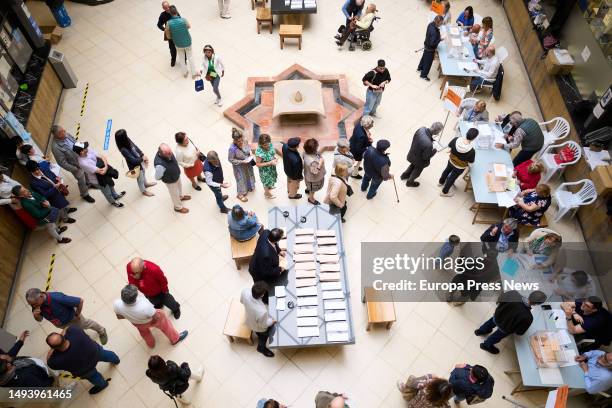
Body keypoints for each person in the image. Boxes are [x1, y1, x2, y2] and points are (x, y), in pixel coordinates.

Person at [46, 326, 120, 394]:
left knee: (94, 377)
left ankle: (103, 384)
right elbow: (67, 328)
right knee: (106, 355)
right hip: (95, 352)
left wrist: (53, 348)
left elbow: (48, 360)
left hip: (85, 370)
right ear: (64, 336)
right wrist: (61, 336)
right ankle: (116, 360)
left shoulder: (56, 361)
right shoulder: (74, 331)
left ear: (54, 348)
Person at [113, 285, 188, 348]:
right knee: (166, 326)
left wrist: (131, 316)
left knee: (145, 333)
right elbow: (155, 316)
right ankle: (175, 339)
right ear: (135, 297)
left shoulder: (117, 304)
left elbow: (119, 317)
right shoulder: (144, 305)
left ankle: (151, 344)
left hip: (137, 324)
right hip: (150, 320)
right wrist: (154, 322)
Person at [26, 287, 108, 344]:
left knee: (86, 324)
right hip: (60, 324)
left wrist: (77, 314)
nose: (32, 306)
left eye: (34, 304)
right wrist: (36, 316)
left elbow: (80, 301)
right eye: (31, 305)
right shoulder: (35, 305)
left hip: (73, 318)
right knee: (75, 332)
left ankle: (102, 331)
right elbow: (40, 319)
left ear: (40, 296)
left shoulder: (56, 298)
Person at [475, 290, 547, 354]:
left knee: (490, 322)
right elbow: (519, 332)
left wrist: (499, 309)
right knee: (496, 336)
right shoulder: (528, 317)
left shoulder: (513, 294)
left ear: (531, 293)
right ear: (536, 304)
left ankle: (480, 331)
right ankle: (486, 345)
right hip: (504, 328)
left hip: (497, 316)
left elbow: (500, 299)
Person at [50, 125, 95, 203]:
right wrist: (74, 168)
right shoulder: (55, 147)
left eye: (64, 130)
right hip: (75, 166)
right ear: (56, 135)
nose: (65, 133)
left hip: (81, 158)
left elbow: (75, 142)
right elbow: (62, 163)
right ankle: (85, 194)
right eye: (62, 132)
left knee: (86, 172)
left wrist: (83, 148)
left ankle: (89, 183)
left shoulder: (66, 134)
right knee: (81, 179)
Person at [73, 141, 125, 208]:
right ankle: (113, 201)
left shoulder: (88, 150)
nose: (87, 148)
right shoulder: (83, 163)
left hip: (104, 173)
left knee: (111, 185)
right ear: (81, 152)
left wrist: (105, 166)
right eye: (85, 148)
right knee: (107, 192)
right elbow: (101, 172)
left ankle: (115, 195)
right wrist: (105, 166)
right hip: (98, 180)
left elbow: (102, 157)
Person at [115, 128, 156, 196]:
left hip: (139, 160)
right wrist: (142, 159)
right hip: (135, 166)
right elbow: (133, 161)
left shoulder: (127, 139)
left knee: (143, 172)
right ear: (122, 139)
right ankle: (143, 191)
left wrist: (142, 154)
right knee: (140, 178)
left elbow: (135, 147)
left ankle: (145, 184)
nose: (127, 136)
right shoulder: (123, 150)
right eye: (125, 135)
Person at [400, 122, 443, 187]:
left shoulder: (421, 129)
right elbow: (426, 157)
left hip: (412, 154)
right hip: (420, 161)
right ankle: (410, 182)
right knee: (417, 171)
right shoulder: (429, 144)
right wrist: (435, 150)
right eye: (439, 131)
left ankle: (404, 175)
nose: (439, 133)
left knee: (412, 164)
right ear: (436, 132)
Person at [438, 128, 478, 197]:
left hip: (451, 161)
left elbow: (449, 147)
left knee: (446, 170)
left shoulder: (456, 139)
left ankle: (441, 182)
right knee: (452, 178)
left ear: (466, 133)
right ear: (474, 138)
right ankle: (444, 192)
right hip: (459, 167)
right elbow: (471, 163)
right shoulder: (471, 151)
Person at [241, 281, 276, 357]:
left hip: (248, 318)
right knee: (264, 335)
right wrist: (272, 321)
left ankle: (258, 335)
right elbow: (264, 325)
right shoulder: (262, 312)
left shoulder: (245, 291)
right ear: (262, 295)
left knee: (258, 331)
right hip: (257, 326)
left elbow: (241, 301)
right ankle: (261, 348)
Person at [155, 143, 190, 213]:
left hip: (176, 175)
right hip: (170, 181)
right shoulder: (159, 165)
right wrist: (167, 177)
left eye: (170, 152)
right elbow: (157, 177)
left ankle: (181, 197)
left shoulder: (168, 152)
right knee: (174, 194)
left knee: (179, 187)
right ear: (161, 153)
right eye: (168, 153)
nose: (170, 154)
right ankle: (178, 207)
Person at [165, 6, 196, 78]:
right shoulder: (183, 20)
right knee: (190, 57)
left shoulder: (168, 23)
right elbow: (188, 26)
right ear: (176, 11)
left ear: (170, 13)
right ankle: (193, 73)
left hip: (178, 43)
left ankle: (185, 73)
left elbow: (168, 36)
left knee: (181, 58)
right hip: (187, 41)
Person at [228, 128, 256, 202]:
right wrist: (241, 162)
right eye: (238, 141)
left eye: (241, 140)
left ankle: (250, 186)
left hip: (248, 163)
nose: (240, 142)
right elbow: (230, 159)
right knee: (241, 179)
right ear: (234, 141)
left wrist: (250, 153)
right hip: (239, 166)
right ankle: (240, 194)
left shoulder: (245, 141)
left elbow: (248, 149)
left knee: (249, 175)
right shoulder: (232, 149)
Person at [417, 15, 443, 81]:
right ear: (438, 22)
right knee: (428, 62)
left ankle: (420, 68)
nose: (441, 24)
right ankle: (423, 75)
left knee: (424, 57)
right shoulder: (434, 32)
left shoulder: (430, 24)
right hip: (430, 49)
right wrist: (440, 39)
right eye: (441, 23)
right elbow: (433, 43)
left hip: (426, 44)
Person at [303, 138, 326, 205]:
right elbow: (315, 172)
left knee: (309, 186)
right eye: (316, 147)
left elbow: (318, 155)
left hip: (308, 175)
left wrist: (319, 157)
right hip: (314, 179)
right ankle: (311, 199)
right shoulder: (312, 162)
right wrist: (321, 163)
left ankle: (308, 189)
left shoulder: (305, 152)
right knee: (313, 190)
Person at [157, 1, 181, 66]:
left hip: (177, 33)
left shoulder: (174, 12)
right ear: (163, 8)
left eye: (168, 7)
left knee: (181, 47)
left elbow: (180, 20)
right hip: (170, 35)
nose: (167, 8)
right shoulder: (162, 15)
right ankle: (173, 59)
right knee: (172, 48)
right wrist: (164, 29)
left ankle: (184, 59)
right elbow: (159, 25)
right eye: (165, 7)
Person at [255, 134, 278, 199]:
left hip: (271, 167)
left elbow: (272, 153)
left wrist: (274, 158)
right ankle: (267, 193)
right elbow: (258, 164)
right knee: (266, 182)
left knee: (271, 178)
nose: (267, 146)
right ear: (260, 144)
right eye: (264, 145)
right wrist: (270, 162)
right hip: (264, 170)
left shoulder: (270, 145)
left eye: (268, 144)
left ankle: (270, 187)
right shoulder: (259, 152)